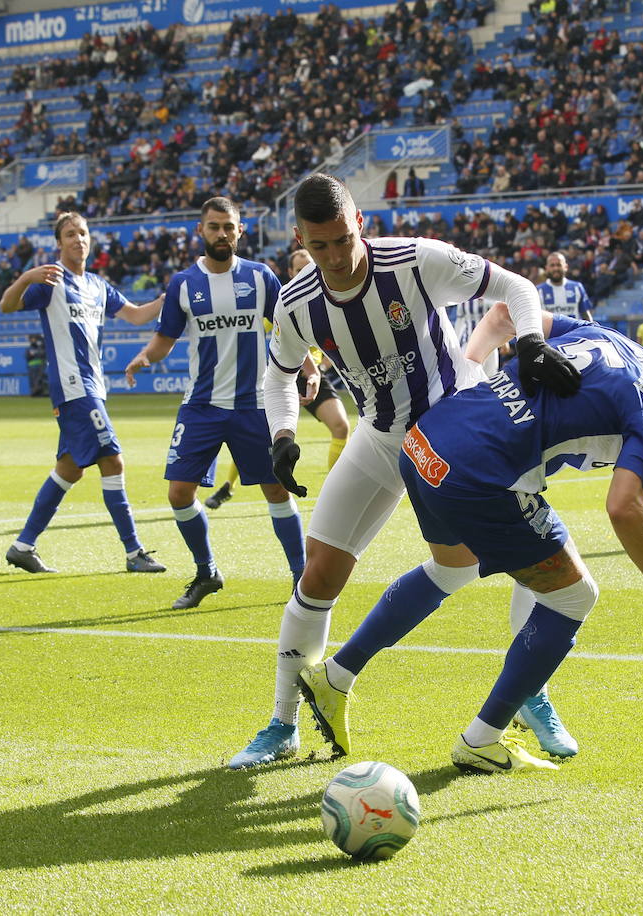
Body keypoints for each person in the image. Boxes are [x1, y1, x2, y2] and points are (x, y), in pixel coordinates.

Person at [227, 173, 580, 770]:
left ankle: (529, 694)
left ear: (360, 222)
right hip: (383, 438)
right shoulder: (297, 303)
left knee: (530, 551)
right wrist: (283, 434)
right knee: (317, 577)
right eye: (320, 247)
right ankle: (285, 724)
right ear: (300, 240)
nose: (336, 257)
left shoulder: (415, 261)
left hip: (461, 433)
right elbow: (280, 373)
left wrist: (528, 343)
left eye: (343, 239)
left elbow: (515, 285)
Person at [296, 320, 643, 771]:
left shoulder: (615, 340)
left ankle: (335, 677)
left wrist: (474, 361)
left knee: (454, 567)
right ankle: (484, 739)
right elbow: (625, 507)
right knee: (575, 596)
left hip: (425, 443)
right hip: (478, 474)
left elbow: (507, 315)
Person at [124, 197, 307, 609]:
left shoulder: (262, 278)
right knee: (178, 494)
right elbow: (165, 338)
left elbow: (289, 329)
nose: (222, 233)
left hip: (254, 405)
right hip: (202, 406)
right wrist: (145, 356)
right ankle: (206, 571)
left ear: (240, 231)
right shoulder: (183, 284)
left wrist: (308, 368)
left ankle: (302, 577)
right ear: (200, 231)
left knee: (277, 493)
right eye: (214, 227)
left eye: (229, 226)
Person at [0, 212, 166, 575]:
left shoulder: (96, 284)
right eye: (70, 234)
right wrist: (27, 276)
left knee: (69, 470)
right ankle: (134, 552)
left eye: (83, 233)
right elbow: (7, 305)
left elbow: (137, 315)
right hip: (74, 389)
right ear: (59, 243)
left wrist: (169, 298)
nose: (78, 239)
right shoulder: (51, 280)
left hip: (93, 388)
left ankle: (23, 546)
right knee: (113, 460)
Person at [204, 247, 352, 511]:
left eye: (310, 263)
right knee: (256, 438)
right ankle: (228, 486)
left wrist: (323, 365)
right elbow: (251, 330)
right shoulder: (283, 301)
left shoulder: (330, 295)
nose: (306, 270)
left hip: (312, 377)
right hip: (281, 376)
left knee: (341, 426)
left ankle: (334, 493)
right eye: (299, 268)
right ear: (290, 272)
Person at [537, 251, 592, 320]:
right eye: (552, 265)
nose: (555, 268)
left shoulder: (577, 287)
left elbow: (586, 316)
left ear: (566, 267)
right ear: (546, 268)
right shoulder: (538, 290)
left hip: (574, 331)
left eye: (559, 265)